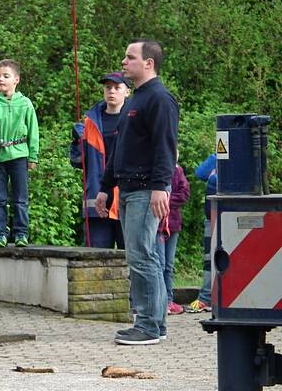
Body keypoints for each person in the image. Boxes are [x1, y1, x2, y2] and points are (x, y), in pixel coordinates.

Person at [95, 39, 179, 345]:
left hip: (146, 190)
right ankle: (155, 323)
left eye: (130, 57)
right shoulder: (135, 100)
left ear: (149, 63)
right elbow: (119, 149)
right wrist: (106, 187)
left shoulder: (160, 99)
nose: (123, 61)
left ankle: (147, 325)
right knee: (144, 257)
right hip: (127, 189)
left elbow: (165, 146)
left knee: (143, 257)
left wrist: (161, 187)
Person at [0, 60, 39, 248]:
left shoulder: (25, 103)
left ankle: (21, 233)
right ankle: (0, 234)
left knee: (20, 197)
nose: (1, 79)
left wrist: (33, 156)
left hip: (19, 154)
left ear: (16, 79)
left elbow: (33, 130)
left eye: (6, 76)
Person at [70, 72, 131, 249]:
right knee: (94, 258)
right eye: (108, 87)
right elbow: (78, 161)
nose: (111, 91)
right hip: (96, 202)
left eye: (117, 87)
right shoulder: (91, 122)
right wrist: (76, 142)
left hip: (126, 200)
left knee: (130, 260)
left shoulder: (134, 119)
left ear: (127, 92)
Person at [157, 152, 190, 315]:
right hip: (157, 226)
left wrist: (164, 200)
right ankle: (160, 301)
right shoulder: (156, 171)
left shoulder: (178, 171)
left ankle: (168, 300)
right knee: (160, 264)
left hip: (173, 223)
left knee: (168, 265)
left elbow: (184, 194)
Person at [186, 152, 216, 313]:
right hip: (211, 218)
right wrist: (218, 156)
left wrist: (214, 177)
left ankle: (208, 298)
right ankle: (206, 298)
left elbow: (213, 181)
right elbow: (201, 172)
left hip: (227, 217)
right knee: (208, 259)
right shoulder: (220, 157)